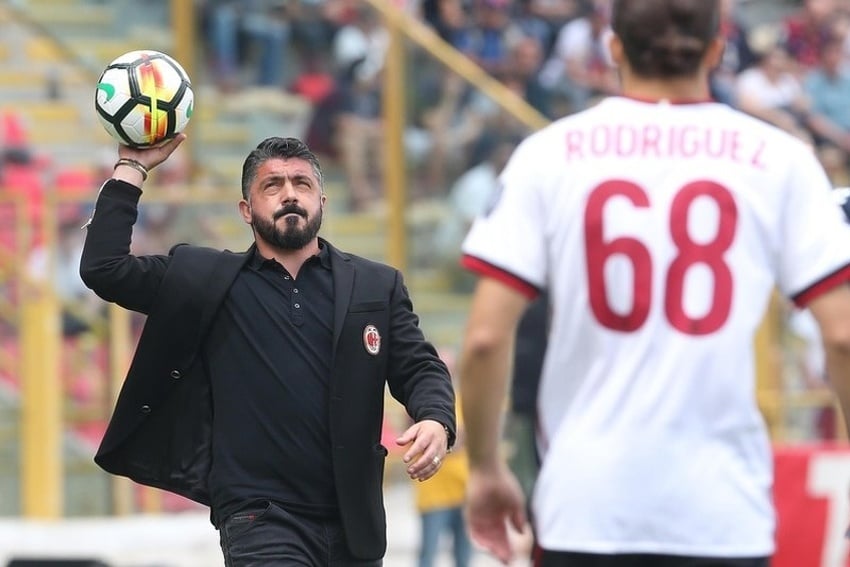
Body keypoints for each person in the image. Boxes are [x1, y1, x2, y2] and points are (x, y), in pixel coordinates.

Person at [456, 1, 850, 566]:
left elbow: (486, 340)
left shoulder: (548, 155)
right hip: (722, 513)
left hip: (585, 508)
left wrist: (488, 469)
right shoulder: (781, 160)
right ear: (717, 51)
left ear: (614, 48)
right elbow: (842, 337)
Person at [78, 135, 457, 566]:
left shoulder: (376, 285)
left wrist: (435, 419)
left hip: (355, 522)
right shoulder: (206, 279)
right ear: (246, 209)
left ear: (322, 201)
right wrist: (132, 166)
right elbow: (104, 269)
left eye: (302, 183)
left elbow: (419, 366)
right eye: (272, 185)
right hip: (258, 517)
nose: (290, 194)